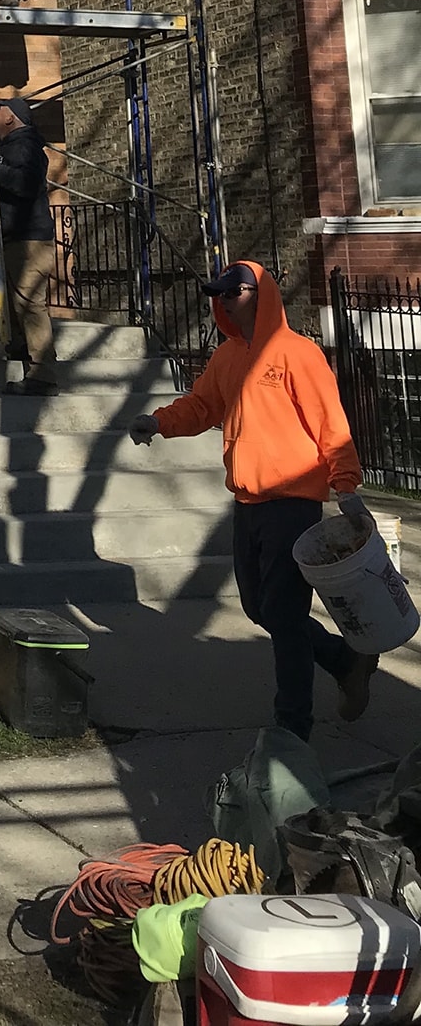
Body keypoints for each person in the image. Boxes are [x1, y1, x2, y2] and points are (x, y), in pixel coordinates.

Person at [129, 259, 378, 741]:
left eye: (232, 292)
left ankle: (292, 728)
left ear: (259, 294)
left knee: (283, 614)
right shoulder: (226, 357)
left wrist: (345, 487)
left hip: (294, 502)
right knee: (259, 608)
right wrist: (159, 422)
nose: (223, 301)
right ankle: (345, 661)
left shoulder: (297, 354)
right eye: (218, 295)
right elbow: (202, 405)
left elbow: (332, 425)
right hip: (248, 502)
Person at [0, 96, 57, 393]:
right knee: (16, 305)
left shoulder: (26, 145)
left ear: (12, 117)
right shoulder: (11, 146)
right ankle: (22, 353)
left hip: (29, 238)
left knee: (30, 304)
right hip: (16, 237)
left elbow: (26, 185)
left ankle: (41, 376)